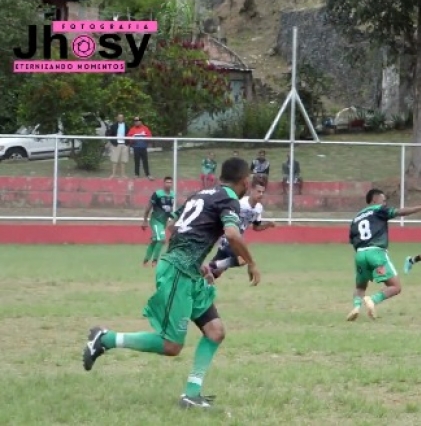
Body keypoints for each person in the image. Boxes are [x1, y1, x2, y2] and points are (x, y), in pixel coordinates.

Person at [82, 157, 261, 410]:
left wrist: (195, 257)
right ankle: (106, 339)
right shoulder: (228, 199)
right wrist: (251, 262)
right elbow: (232, 234)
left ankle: (191, 394)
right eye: (250, 180)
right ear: (245, 180)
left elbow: (173, 225)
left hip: (187, 269)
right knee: (171, 345)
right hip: (178, 271)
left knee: (215, 332)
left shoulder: (201, 194)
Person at [347, 189, 421, 321]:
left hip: (360, 254)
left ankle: (356, 307)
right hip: (376, 253)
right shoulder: (378, 209)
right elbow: (400, 212)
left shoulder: (356, 218)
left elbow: (352, 239)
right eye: (383, 200)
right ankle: (372, 300)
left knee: (360, 286)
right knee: (395, 286)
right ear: (374, 200)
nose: (384, 203)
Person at [205, 178, 276, 277]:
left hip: (237, 239)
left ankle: (203, 278)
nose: (261, 194)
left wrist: (268, 225)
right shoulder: (240, 203)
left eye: (263, 192)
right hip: (230, 237)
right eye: (258, 191)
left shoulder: (258, 208)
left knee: (215, 273)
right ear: (251, 190)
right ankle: (211, 266)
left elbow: (256, 227)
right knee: (243, 259)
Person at [140, 176, 177, 267]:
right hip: (155, 220)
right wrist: (145, 220)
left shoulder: (173, 195)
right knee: (162, 239)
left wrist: (174, 218)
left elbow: (169, 210)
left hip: (163, 221)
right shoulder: (157, 194)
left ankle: (145, 261)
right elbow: (149, 207)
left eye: (170, 182)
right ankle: (155, 261)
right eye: (167, 182)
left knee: (155, 240)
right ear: (163, 183)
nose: (169, 184)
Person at [106, 114, 130, 179]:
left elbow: (129, 135)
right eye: (119, 117)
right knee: (114, 160)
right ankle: (113, 174)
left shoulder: (127, 126)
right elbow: (109, 134)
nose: (120, 118)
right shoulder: (113, 126)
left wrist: (127, 143)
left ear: (123, 118)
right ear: (117, 118)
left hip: (124, 145)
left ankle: (123, 174)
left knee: (123, 160)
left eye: (121, 117)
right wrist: (113, 142)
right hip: (116, 145)